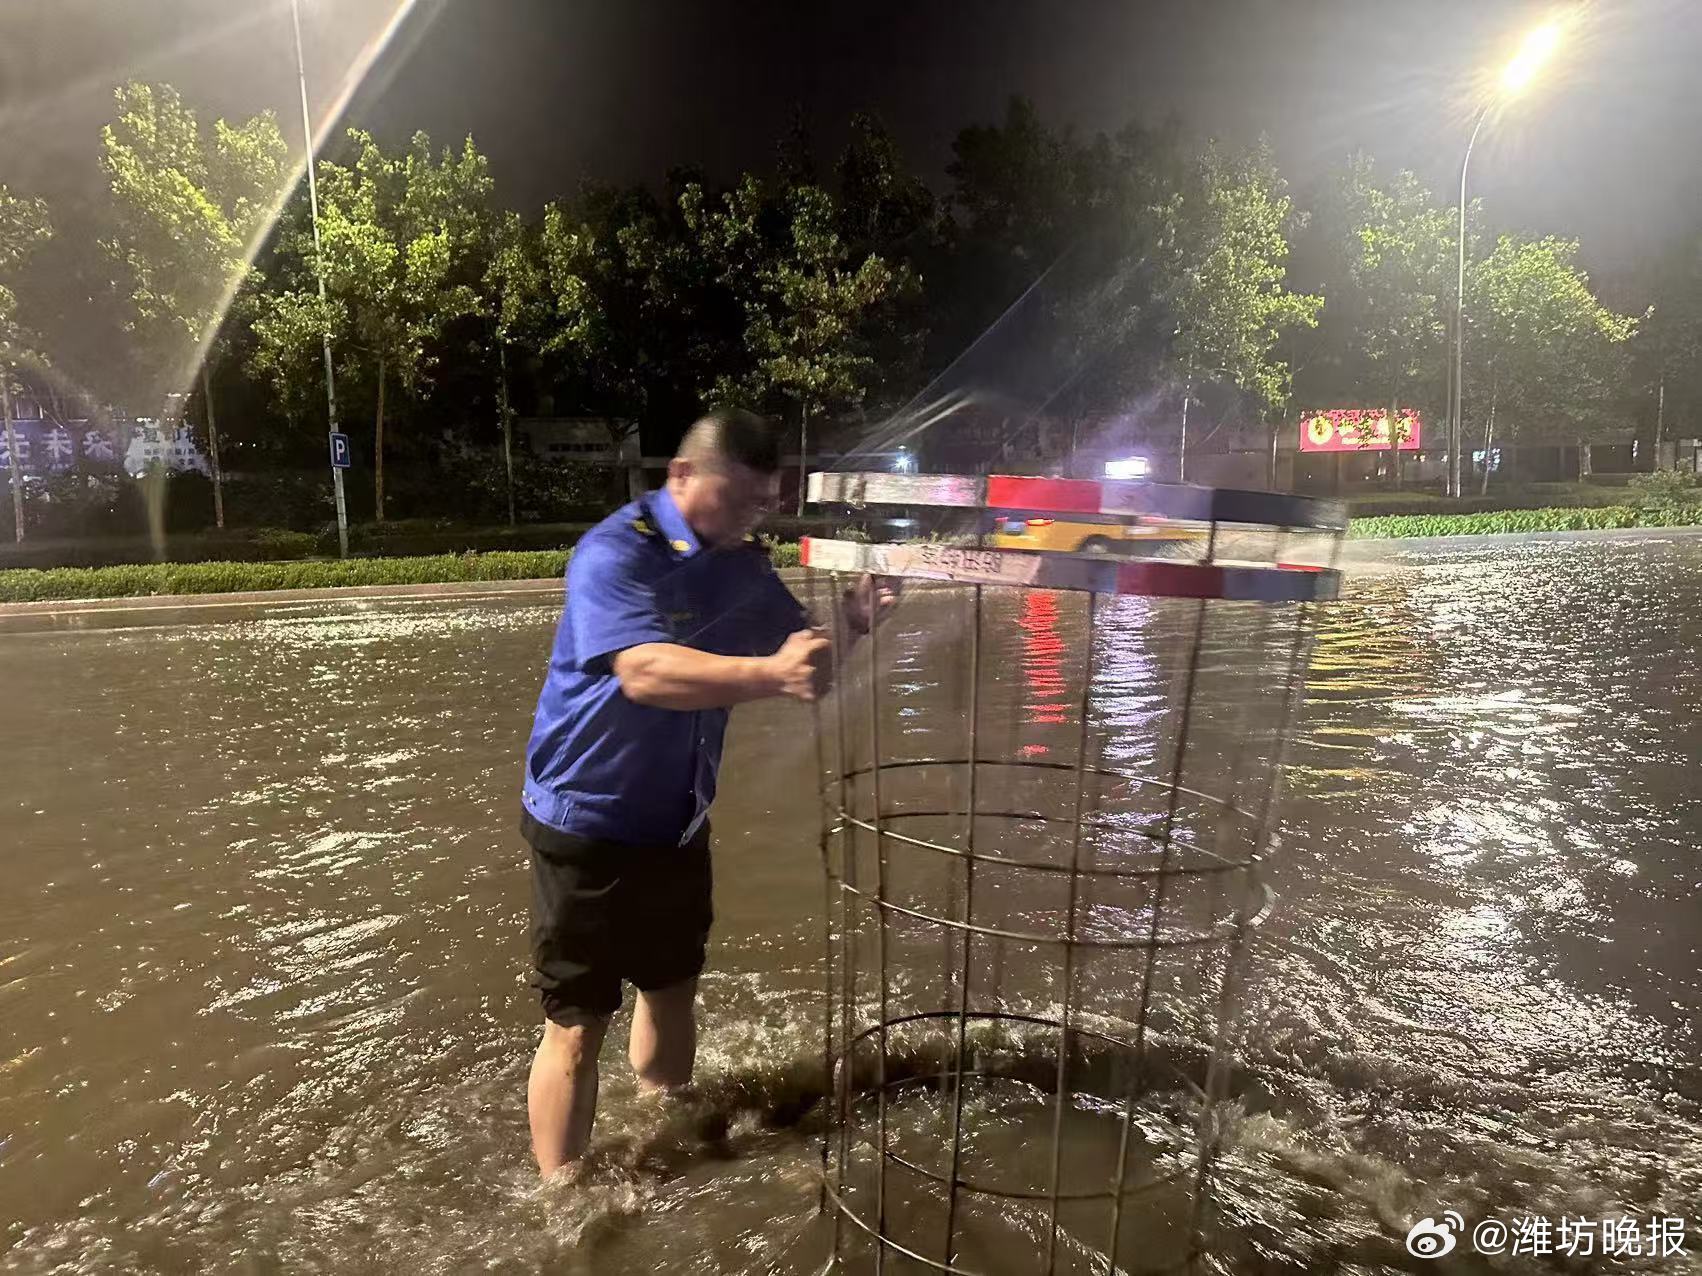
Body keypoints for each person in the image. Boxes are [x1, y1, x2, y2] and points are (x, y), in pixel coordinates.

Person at [519, 407, 892, 1179]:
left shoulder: (741, 565)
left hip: (677, 821)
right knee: (578, 1026)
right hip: (586, 817)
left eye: (763, 504)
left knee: (671, 989)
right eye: (738, 500)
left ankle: (662, 1132)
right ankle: (560, 1198)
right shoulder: (615, 552)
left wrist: (851, 626)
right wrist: (769, 675)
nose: (751, 518)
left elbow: (800, 657)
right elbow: (643, 671)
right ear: (682, 477)